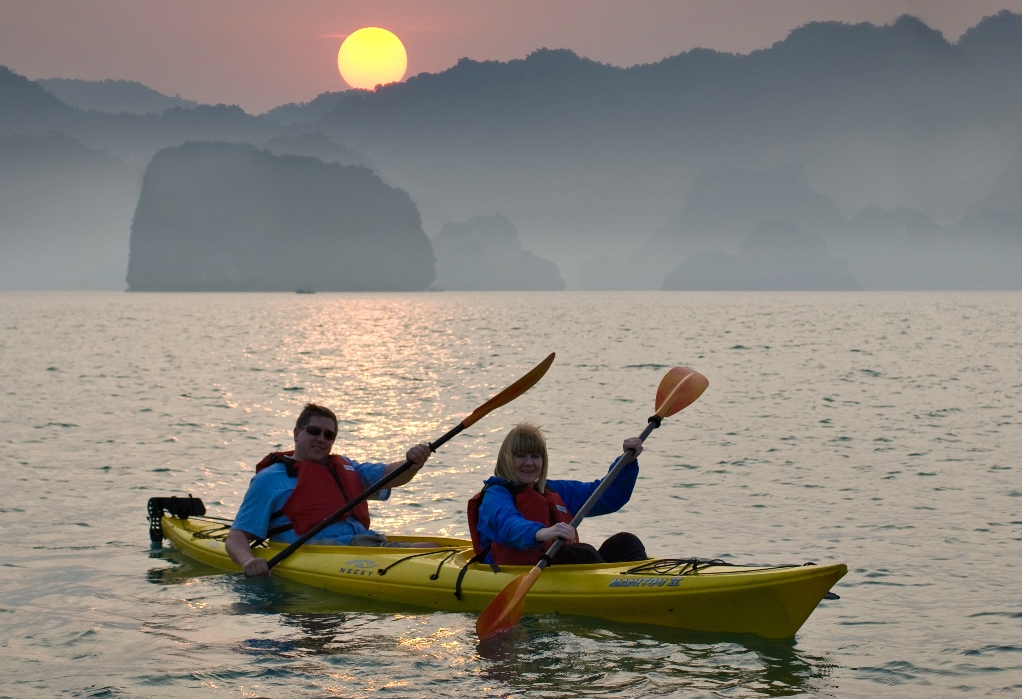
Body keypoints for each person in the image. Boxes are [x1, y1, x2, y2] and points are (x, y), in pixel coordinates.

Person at [226, 403, 435, 576]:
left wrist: (413, 463)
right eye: (314, 431)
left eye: (329, 435)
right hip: (320, 555)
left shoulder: (346, 468)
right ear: (297, 433)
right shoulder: (269, 480)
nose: (321, 439)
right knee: (429, 552)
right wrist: (248, 562)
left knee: (434, 549)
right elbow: (237, 536)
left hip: (365, 546)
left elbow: (391, 475)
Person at [467, 422, 649, 566]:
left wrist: (627, 463)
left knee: (625, 541)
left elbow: (606, 495)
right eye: (520, 456)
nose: (529, 463)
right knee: (579, 553)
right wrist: (542, 533)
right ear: (507, 459)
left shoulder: (554, 490)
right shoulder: (495, 495)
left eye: (535, 456)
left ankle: (648, 585)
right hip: (515, 570)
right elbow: (508, 524)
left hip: (558, 565)